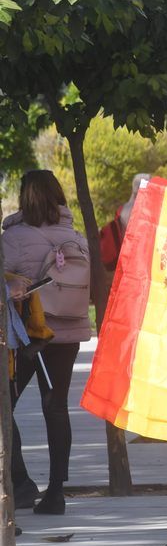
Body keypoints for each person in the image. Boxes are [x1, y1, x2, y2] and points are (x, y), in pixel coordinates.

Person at [2, 170, 91, 515]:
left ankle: (21, 484)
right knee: (55, 408)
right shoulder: (75, 236)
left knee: (3, 407)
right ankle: (56, 493)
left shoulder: (15, 237)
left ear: (26, 197)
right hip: (68, 333)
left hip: (30, 334)